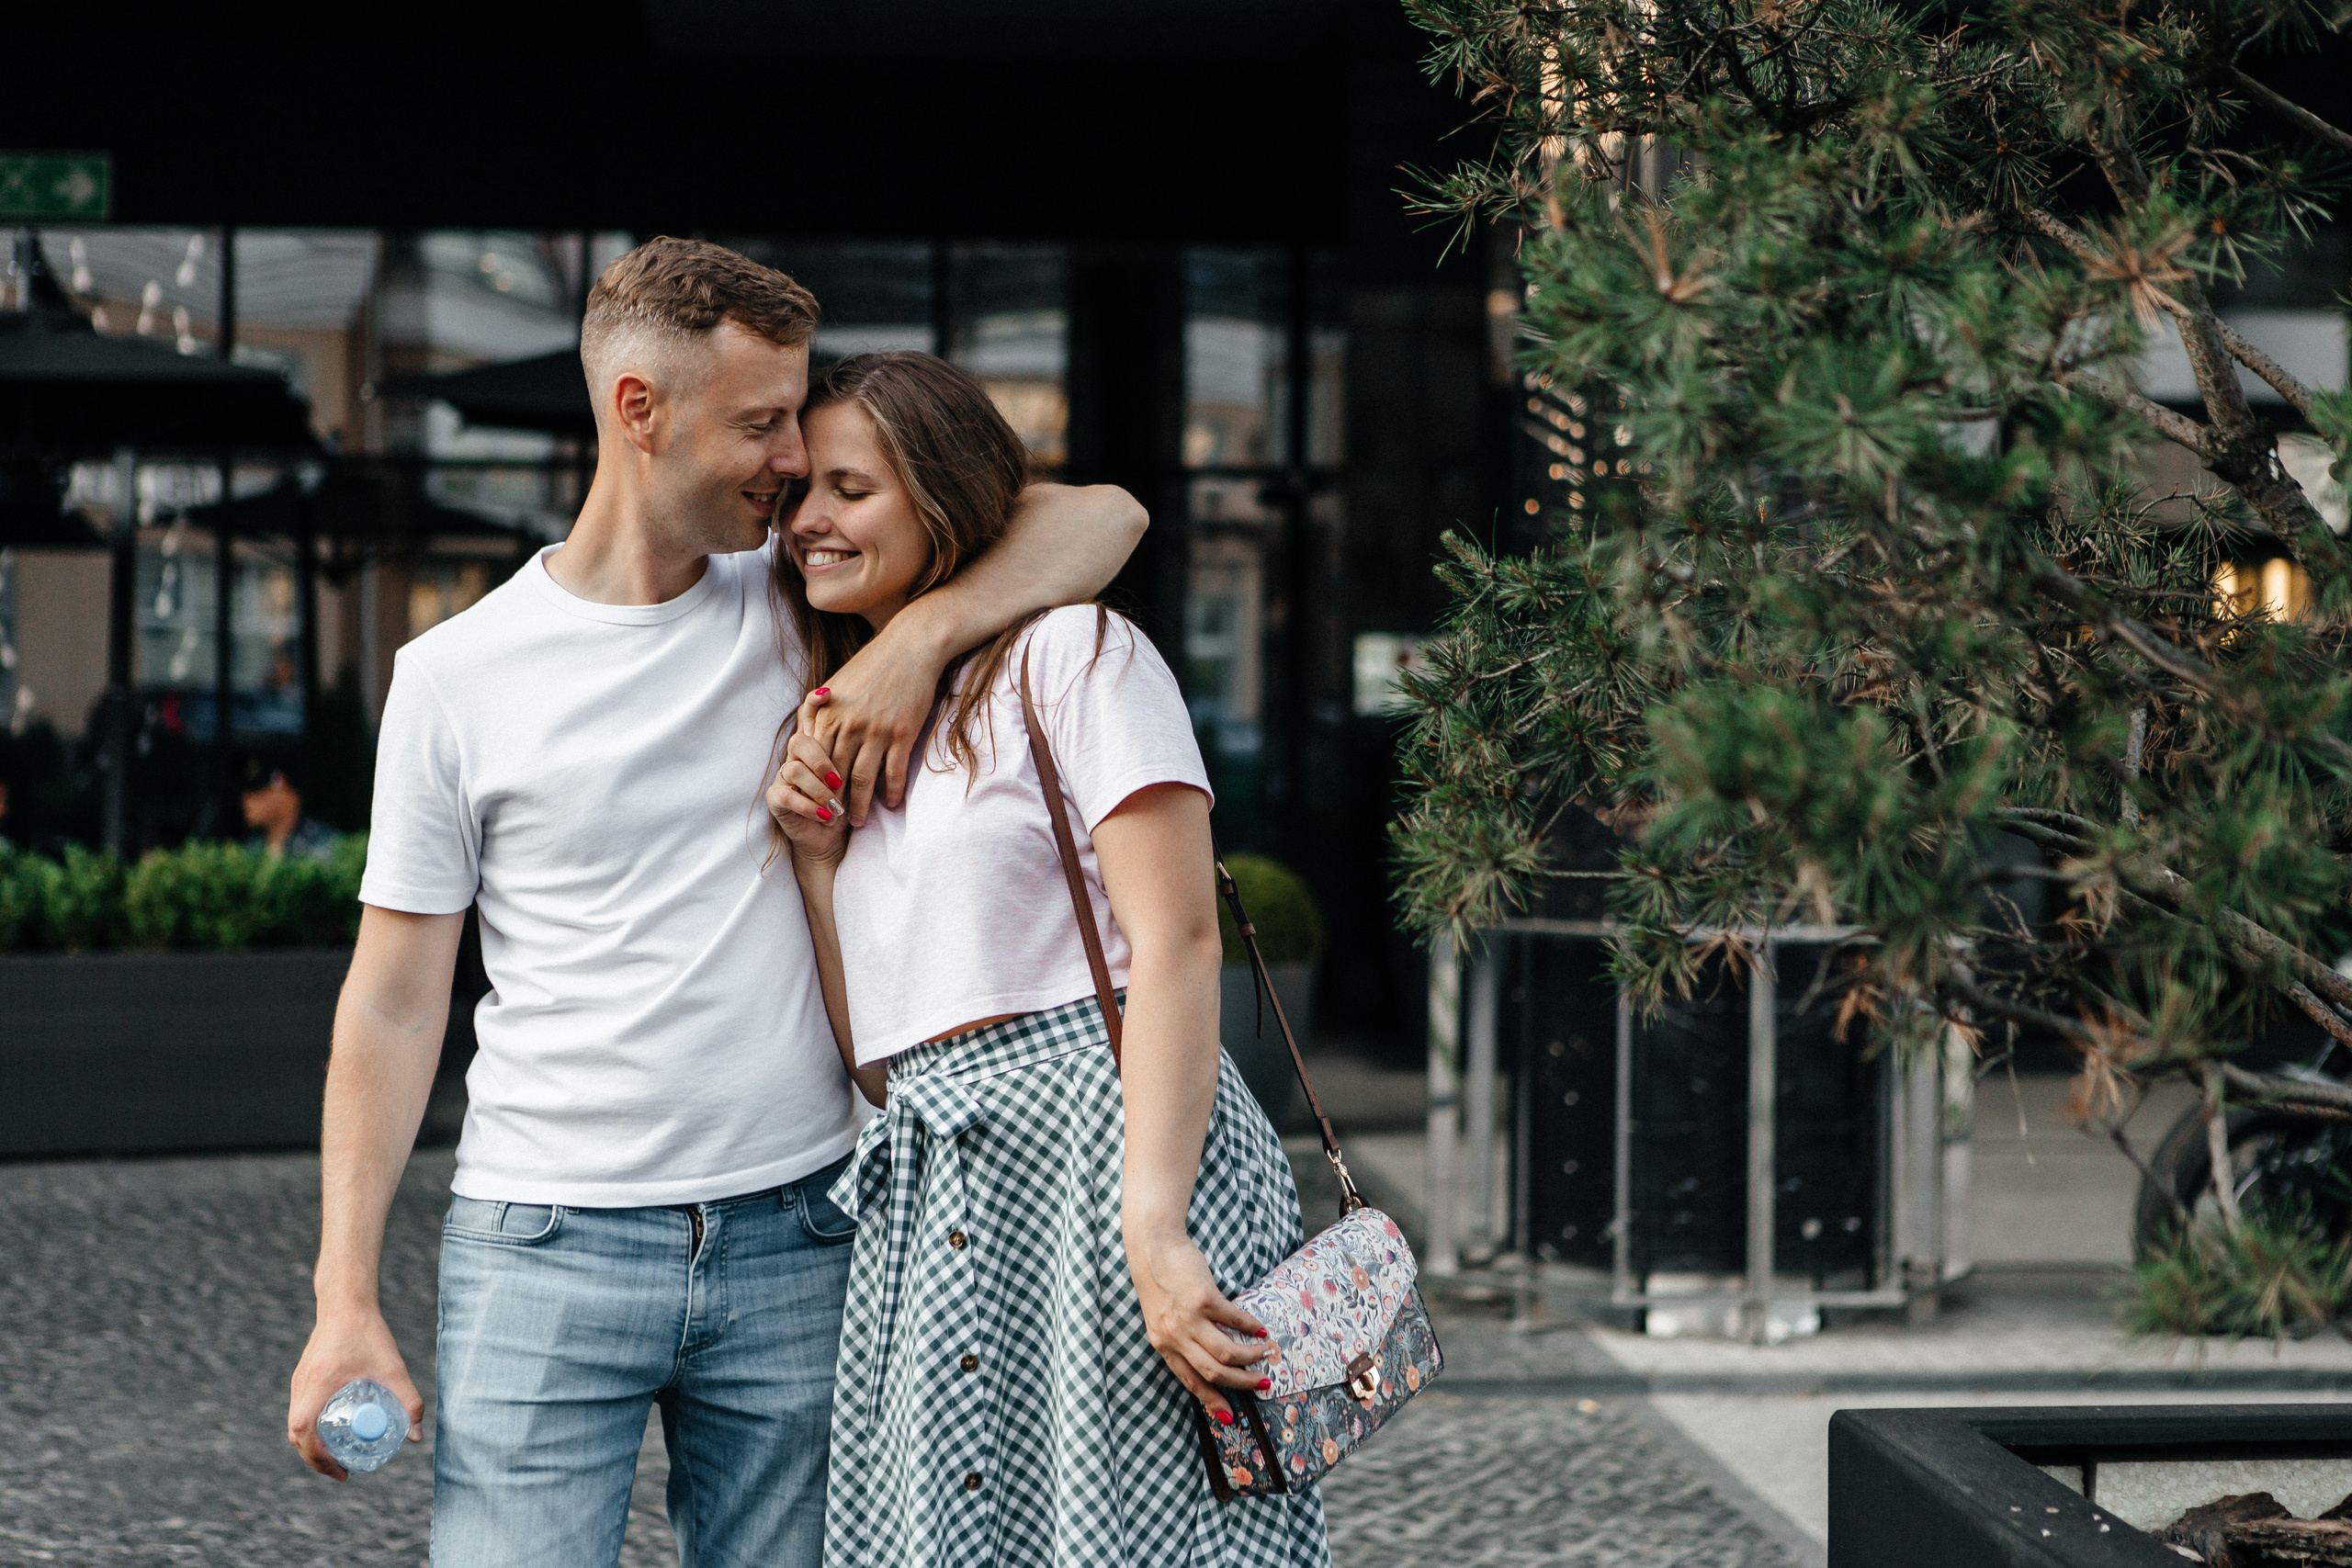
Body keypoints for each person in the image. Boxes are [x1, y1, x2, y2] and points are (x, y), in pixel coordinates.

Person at [282, 241, 1146, 1568]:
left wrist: (915, 643)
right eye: (760, 422)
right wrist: (344, 1294)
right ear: (639, 410)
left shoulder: (803, 595)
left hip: (801, 1230)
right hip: (543, 1243)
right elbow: (395, 1006)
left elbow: (1108, 516)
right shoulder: (454, 675)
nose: (793, 458)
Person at [765, 352, 1329, 1568]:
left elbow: (1179, 942)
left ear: (942, 498)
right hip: (940, 1185)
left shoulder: (1074, 654)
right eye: (802, 492)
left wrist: (1154, 1222)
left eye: (851, 489)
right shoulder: (849, 722)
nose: (809, 519)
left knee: (1147, 1528)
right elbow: (884, 1065)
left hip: (1106, 1152)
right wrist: (816, 864)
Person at [240, 756, 338, 861]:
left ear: (286, 789)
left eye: (257, 790)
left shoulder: (326, 845)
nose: (246, 799)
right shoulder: (251, 845)